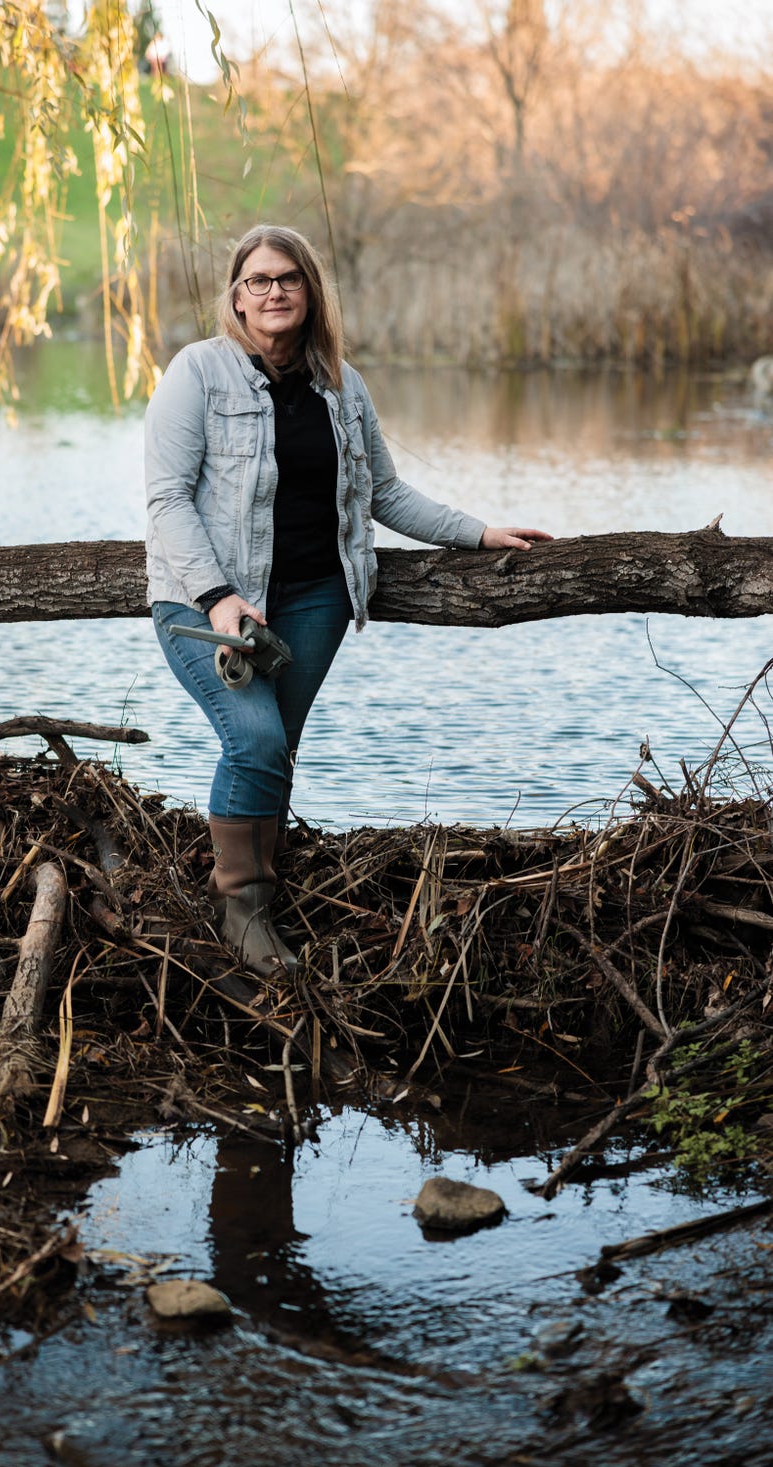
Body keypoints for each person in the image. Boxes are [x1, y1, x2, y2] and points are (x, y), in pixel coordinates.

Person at [145, 224, 551, 979]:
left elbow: (385, 491)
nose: (274, 292)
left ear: (310, 292)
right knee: (256, 741)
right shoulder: (198, 372)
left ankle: (265, 892)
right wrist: (219, 598)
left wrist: (478, 531)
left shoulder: (341, 384)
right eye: (259, 280)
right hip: (205, 609)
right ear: (236, 295)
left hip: (313, 601)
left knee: (277, 746)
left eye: (288, 279)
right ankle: (240, 909)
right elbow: (167, 498)